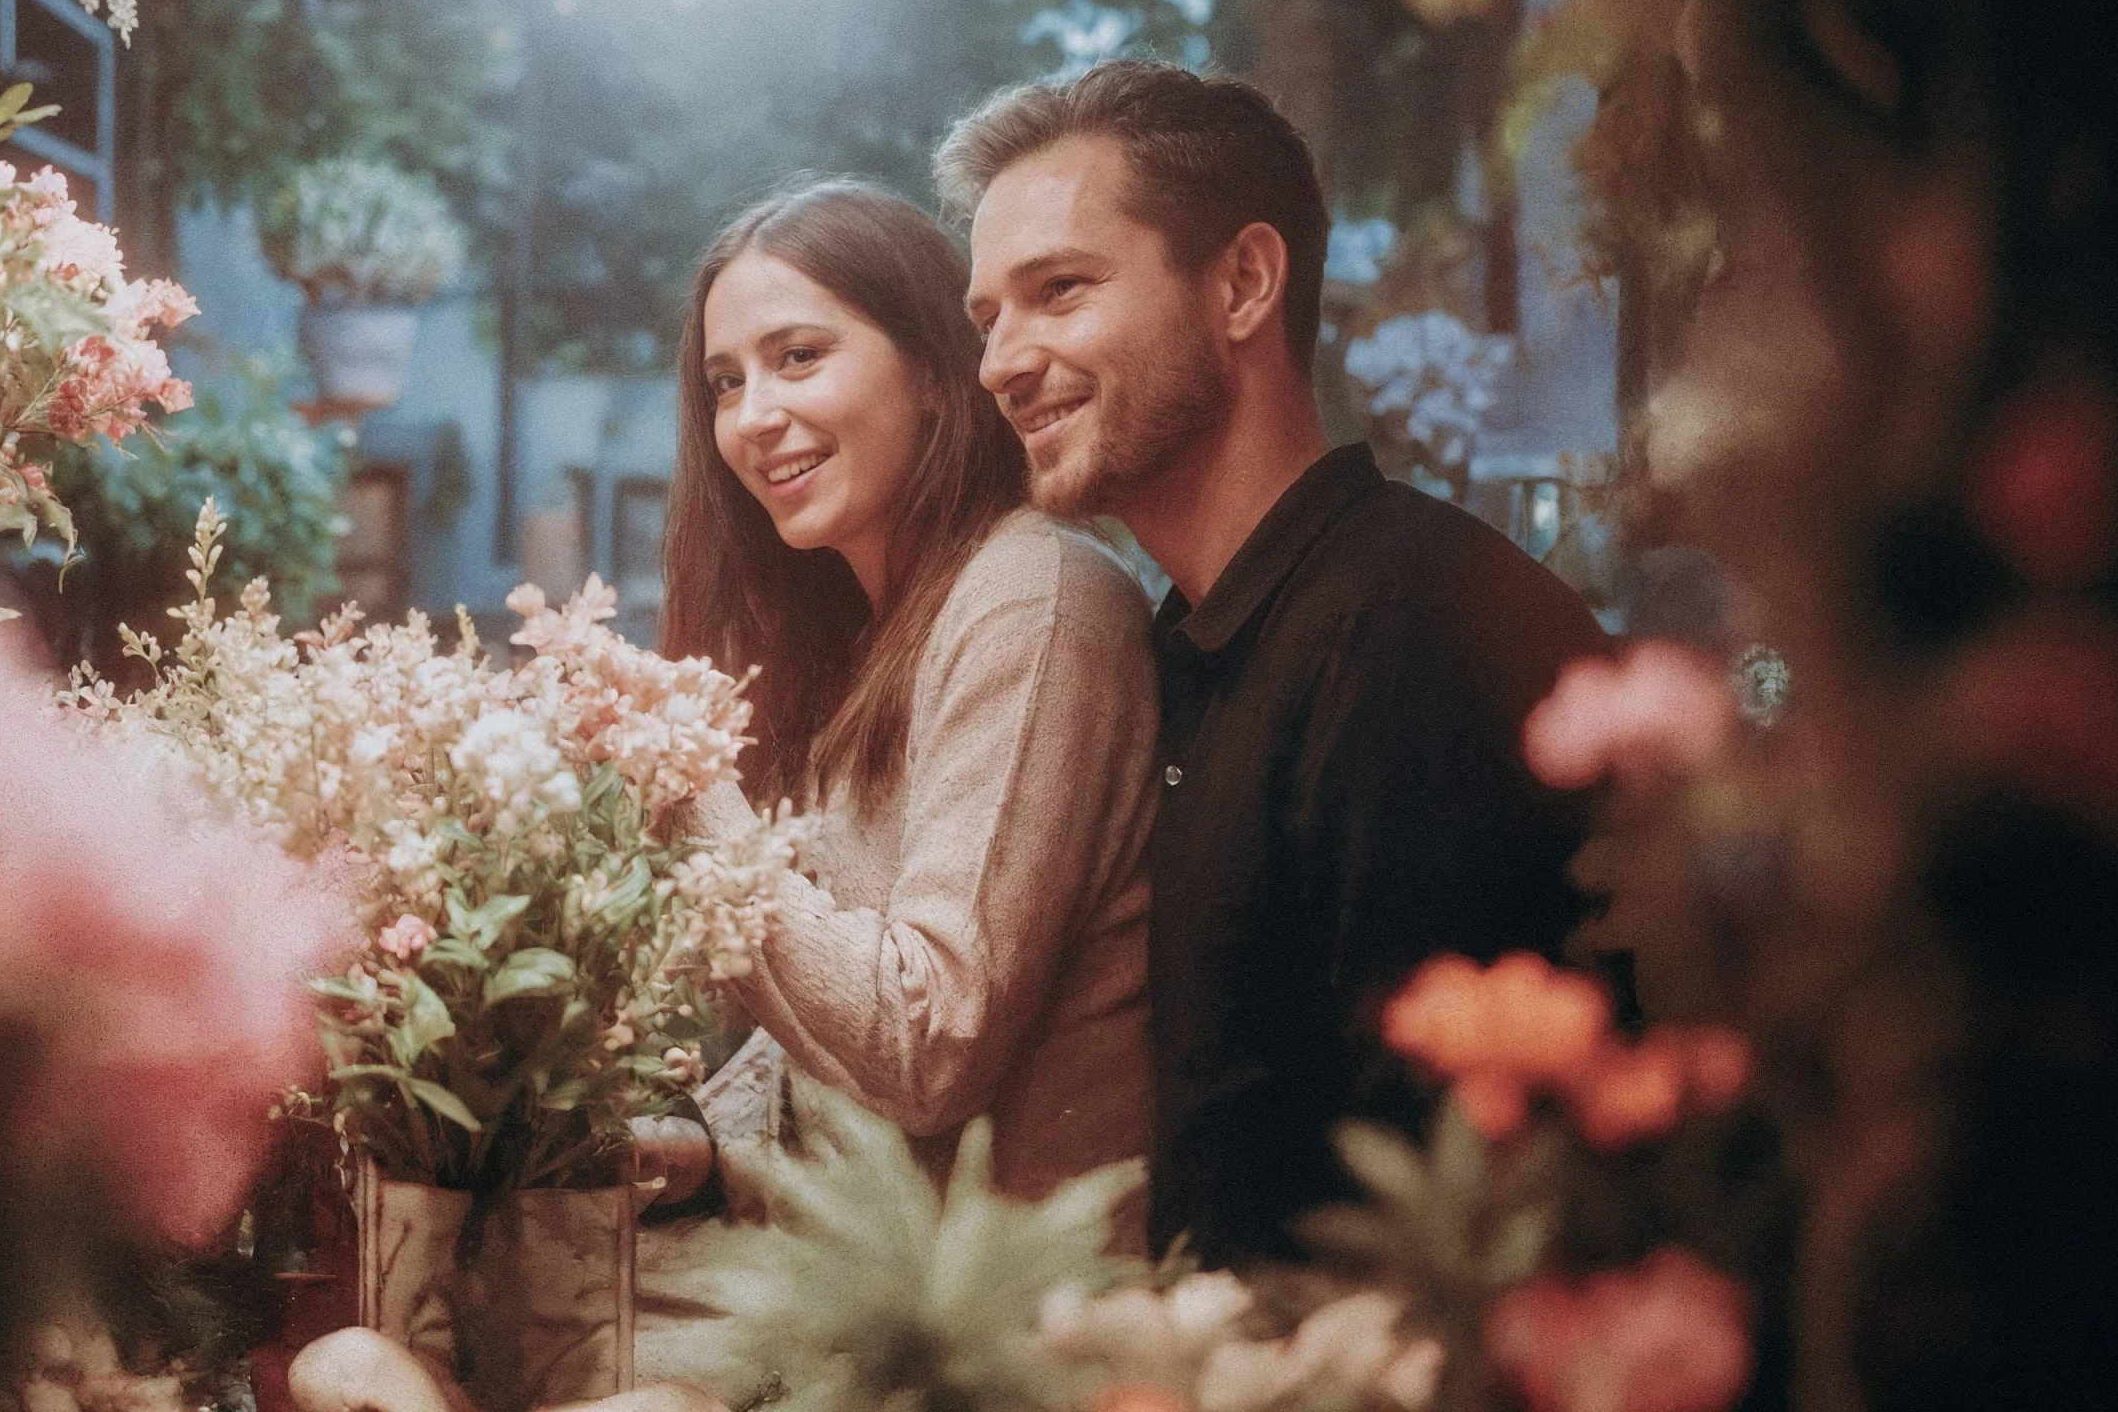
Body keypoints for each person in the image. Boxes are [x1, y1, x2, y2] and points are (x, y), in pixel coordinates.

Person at [938, 61, 1610, 1267]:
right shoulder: (1190, 640)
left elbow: (1447, 1196)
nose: (1001, 362)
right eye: (990, 318)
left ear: (1243, 283)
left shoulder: (1404, 627)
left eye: (1059, 291)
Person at [659, 178, 1160, 1248]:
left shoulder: (1034, 600)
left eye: (799, 356)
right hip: (868, 1284)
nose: (753, 417)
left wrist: (682, 775)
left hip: (1015, 1320)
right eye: (725, 382)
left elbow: (923, 1049)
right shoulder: (869, 635)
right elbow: (835, 1074)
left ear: (936, 372)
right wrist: (704, 1157)